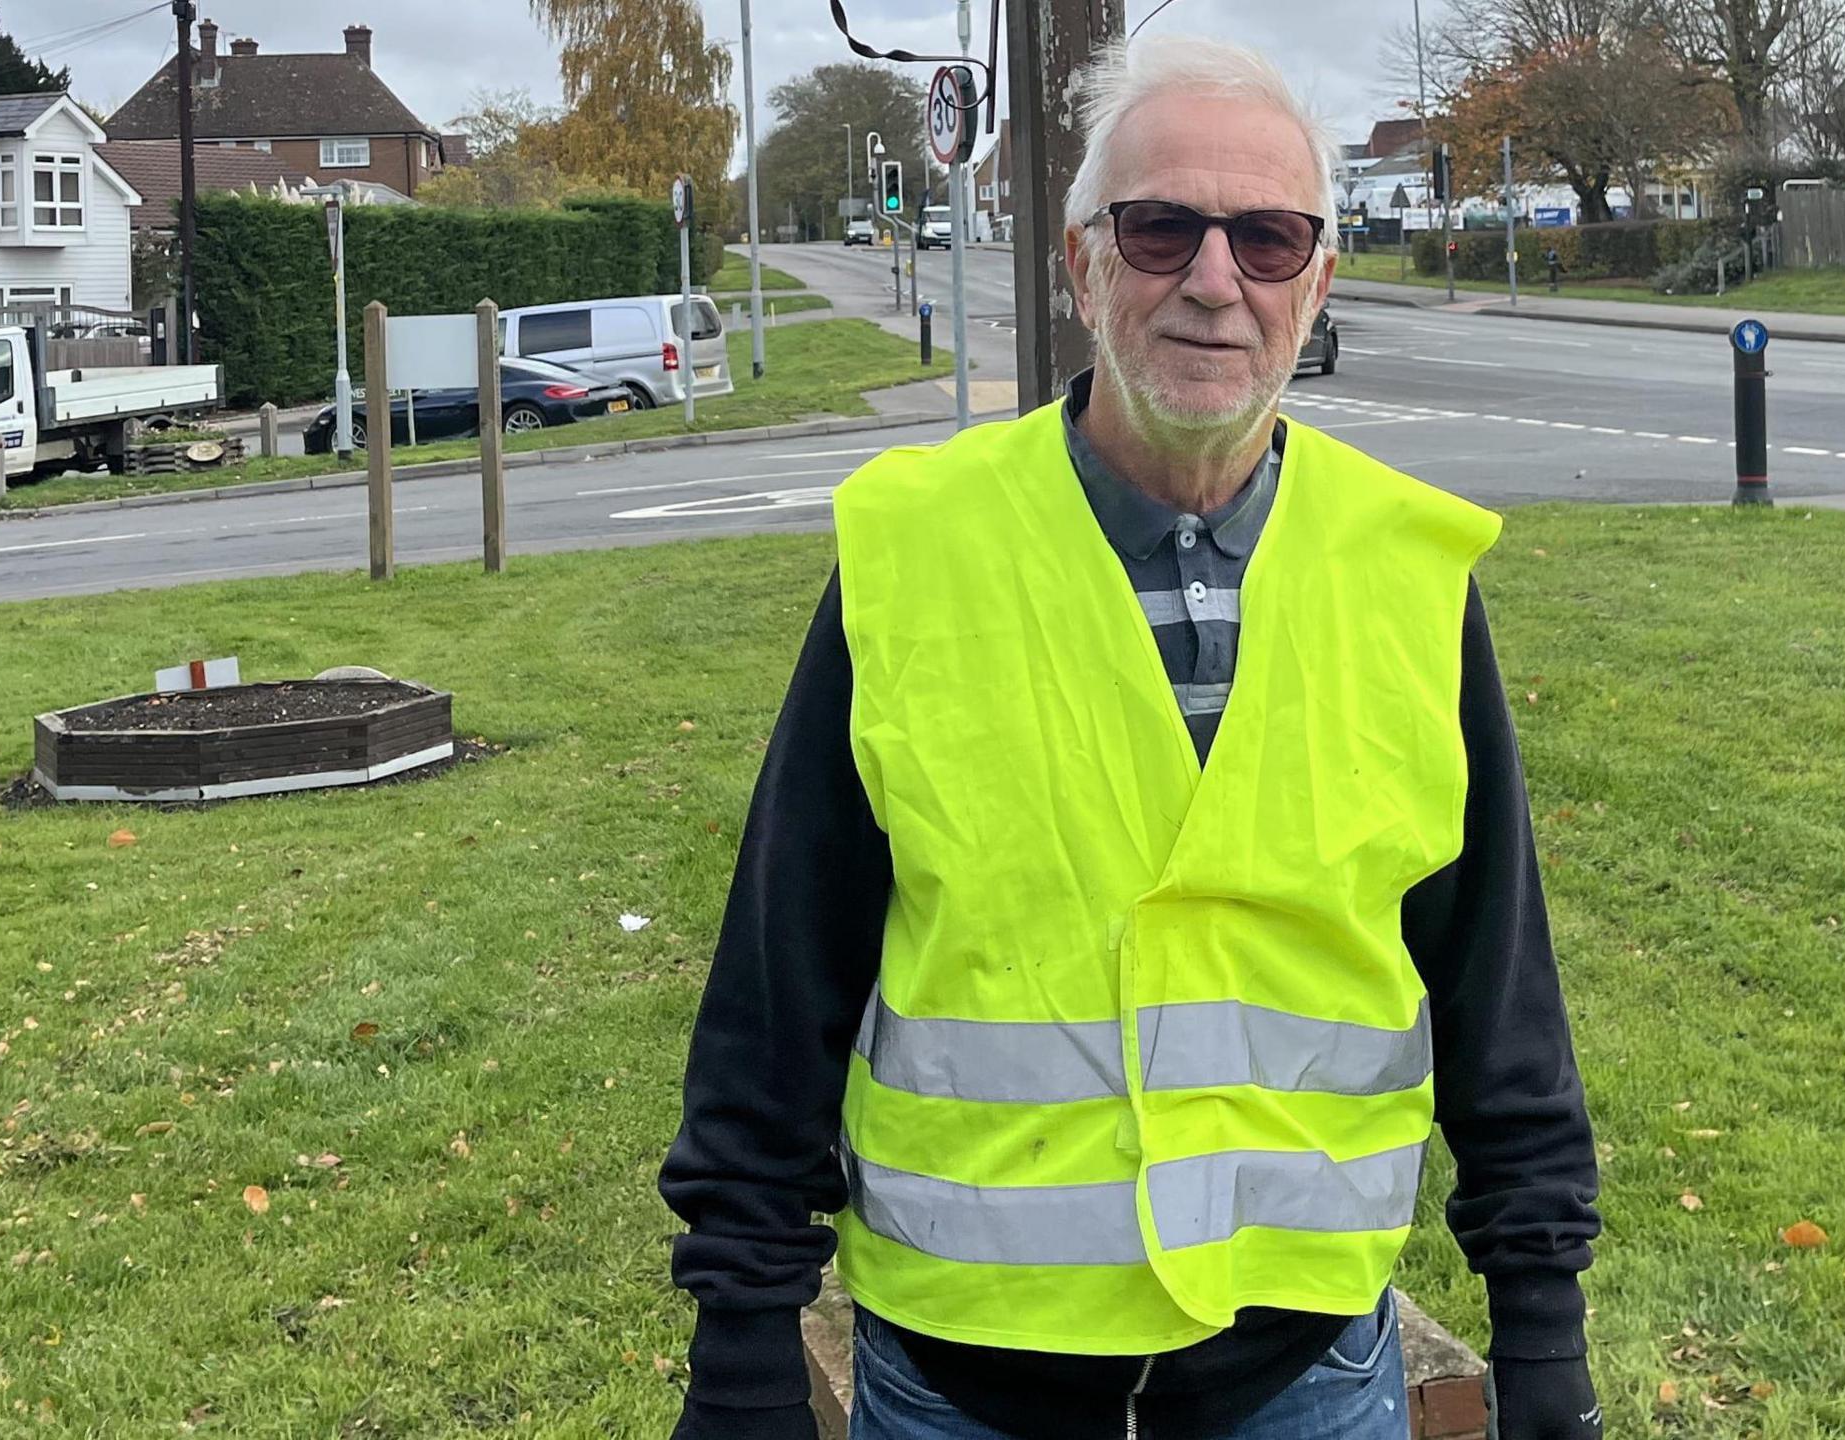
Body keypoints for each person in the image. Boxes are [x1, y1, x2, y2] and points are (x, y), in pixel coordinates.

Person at [659, 36, 1600, 1440]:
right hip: (963, 1382)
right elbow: (781, 973)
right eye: (1161, 229)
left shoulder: (1410, 573)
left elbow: (1496, 983)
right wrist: (742, 1343)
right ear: (1081, 265)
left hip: (1302, 1379)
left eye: (1268, 239)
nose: (1214, 281)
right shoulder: (917, 554)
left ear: (1318, 282)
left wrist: (1540, 1326)